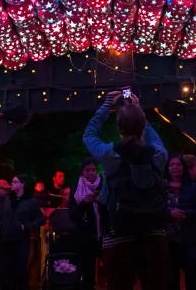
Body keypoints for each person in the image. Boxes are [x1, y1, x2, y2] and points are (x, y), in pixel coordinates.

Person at [83, 90, 169, 290]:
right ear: (142, 125)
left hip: (118, 233)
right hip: (154, 232)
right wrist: (140, 113)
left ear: (119, 127)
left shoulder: (110, 154)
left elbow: (89, 135)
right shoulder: (157, 154)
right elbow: (153, 138)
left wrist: (106, 106)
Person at [164, 155, 196, 290]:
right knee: (170, 280)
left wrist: (185, 214)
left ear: (184, 168)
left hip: (191, 240)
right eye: (171, 165)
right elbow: (154, 209)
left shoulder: (194, 187)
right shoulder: (161, 187)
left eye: (178, 165)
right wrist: (169, 213)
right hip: (168, 241)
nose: (174, 167)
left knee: (194, 279)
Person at [68, 158, 107, 290]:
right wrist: (84, 203)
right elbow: (73, 215)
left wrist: (99, 199)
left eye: (93, 170)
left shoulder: (104, 185)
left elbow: (111, 208)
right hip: (85, 236)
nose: (91, 173)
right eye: (87, 170)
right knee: (87, 271)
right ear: (82, 172)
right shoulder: (76, 189)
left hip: (105, 234)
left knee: (110, 269)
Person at [3, 175, 46, 290]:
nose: (12, 184)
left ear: (23, 184)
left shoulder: (30, 202)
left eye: (15, 182)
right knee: (8, 272)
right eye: (12, 181)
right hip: (7, 239)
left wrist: (26, 227)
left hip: (22, 240)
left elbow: (41, 219)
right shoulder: (8, 200)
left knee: (21, 270)